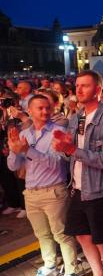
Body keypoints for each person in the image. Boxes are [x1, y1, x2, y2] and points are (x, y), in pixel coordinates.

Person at [52, 70, 103, 276]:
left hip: (102, 189)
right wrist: (65, 149)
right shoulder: (76, 118)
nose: (79, 89)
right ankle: (97, 272)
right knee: (81, 235)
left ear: (98, 90)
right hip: (78, 188)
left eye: (85, 85)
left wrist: (73, 150)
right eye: (77, 86)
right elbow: (71, 155)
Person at [7, 95, 78, 276]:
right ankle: (50, 265)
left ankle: (71, 270)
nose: (45, 111)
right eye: (40, 108)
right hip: (31, 193)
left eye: (48, 108)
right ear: (29, 111)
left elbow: (57, 163)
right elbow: (13, 166)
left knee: (62, 234)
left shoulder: (58, 131)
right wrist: (15, 152)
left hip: (54, 191)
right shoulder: (24, 134)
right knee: (42, 234)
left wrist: (27, 150)